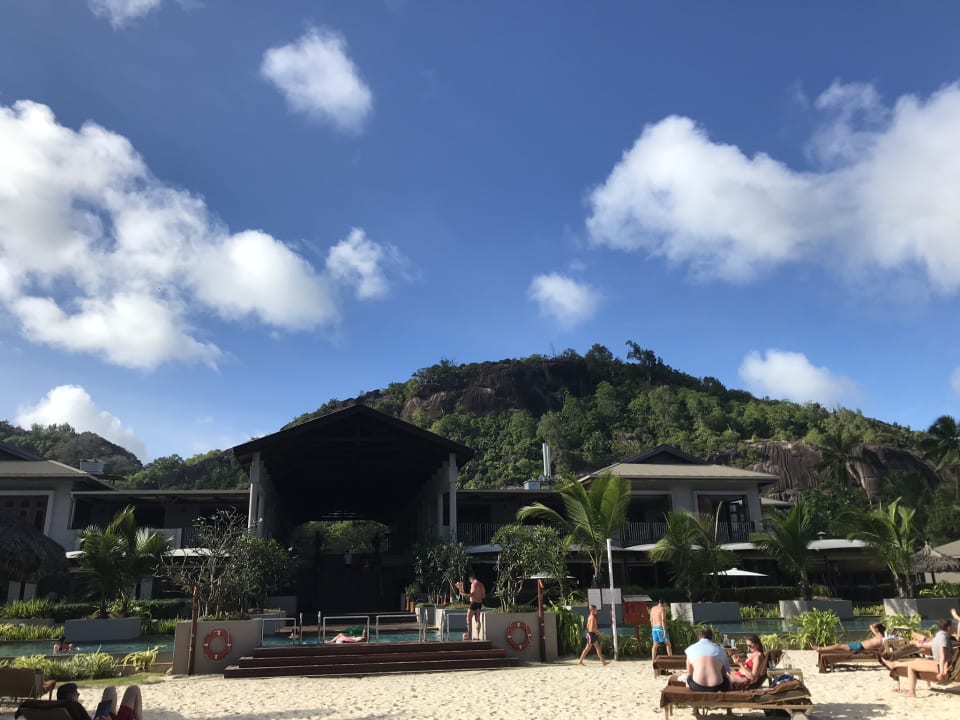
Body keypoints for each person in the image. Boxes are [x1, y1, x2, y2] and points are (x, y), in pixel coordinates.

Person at [881, 618, 954, 697]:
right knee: (916, 661)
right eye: (953, 626)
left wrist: (941, 673)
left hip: (942, 666)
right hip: (940, 664)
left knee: (912, 666)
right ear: (949, 627)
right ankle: (895, 664)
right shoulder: (942, 637)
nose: (954, 628)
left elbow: (943, 656)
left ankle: (911, 692)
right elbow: (942, 655)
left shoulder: (940, 637)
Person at [56, 683, 143, 720]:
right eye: (76, 693)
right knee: (134, 689)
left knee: (110, 690)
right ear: (72, 697)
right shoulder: (75, 707)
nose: (78, 694)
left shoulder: (58, 709)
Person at [684, 626, 730, 692]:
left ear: (699, 637)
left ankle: (688, 688)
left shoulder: (690, 649)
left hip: (697, 686)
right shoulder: (720, 650)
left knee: (688, 678)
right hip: (718, 687)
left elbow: (689, 673)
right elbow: (724, 673)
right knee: (727, 678)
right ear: (712, 638)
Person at [812, 622, 886, 653]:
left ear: (877, 629)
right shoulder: (880, 637)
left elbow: (871, 626)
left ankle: (820, 649)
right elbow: (872, 626)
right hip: (859, 645)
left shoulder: (879, 636)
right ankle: (821, 649)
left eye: (876, 628)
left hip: (859, 647)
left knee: (838, 645)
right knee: (839, 646)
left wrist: (879, 623)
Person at [455, 574, 486, 640]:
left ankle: (469, 635)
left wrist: (464, 594)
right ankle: (477, 636)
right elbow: (483, 596)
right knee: (477, 619)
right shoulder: (481, 584)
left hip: (473, 603)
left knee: (468, 619)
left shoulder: (474, 584)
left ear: (471, 579)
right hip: (480, 603)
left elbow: (472, 594)